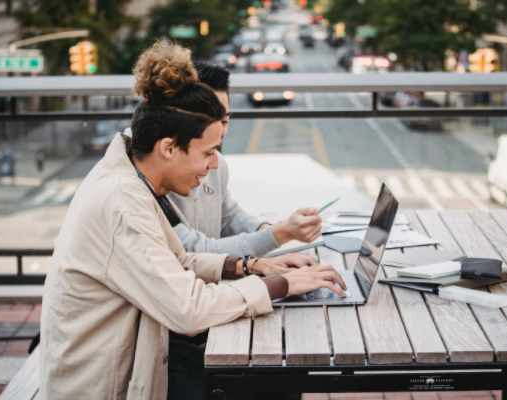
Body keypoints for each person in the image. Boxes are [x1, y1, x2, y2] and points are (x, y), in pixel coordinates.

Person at [39, 41, 347, 400]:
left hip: (137, 355)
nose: (215, 165)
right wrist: (283, 284)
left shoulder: (133, 175)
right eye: (209, 152)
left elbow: (179, 260)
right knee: (266, 385)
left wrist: (251, 265)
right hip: (103, 388)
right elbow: (188, 309)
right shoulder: (123, 202)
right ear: (169, 147)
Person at [166, 62, 322, 257]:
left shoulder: (217, 165)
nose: (219, 131)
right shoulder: (154, 173)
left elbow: (228, 218)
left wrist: (264, 230)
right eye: (210, 120)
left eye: (224, 121)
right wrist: (280, 233)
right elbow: (191, 250)